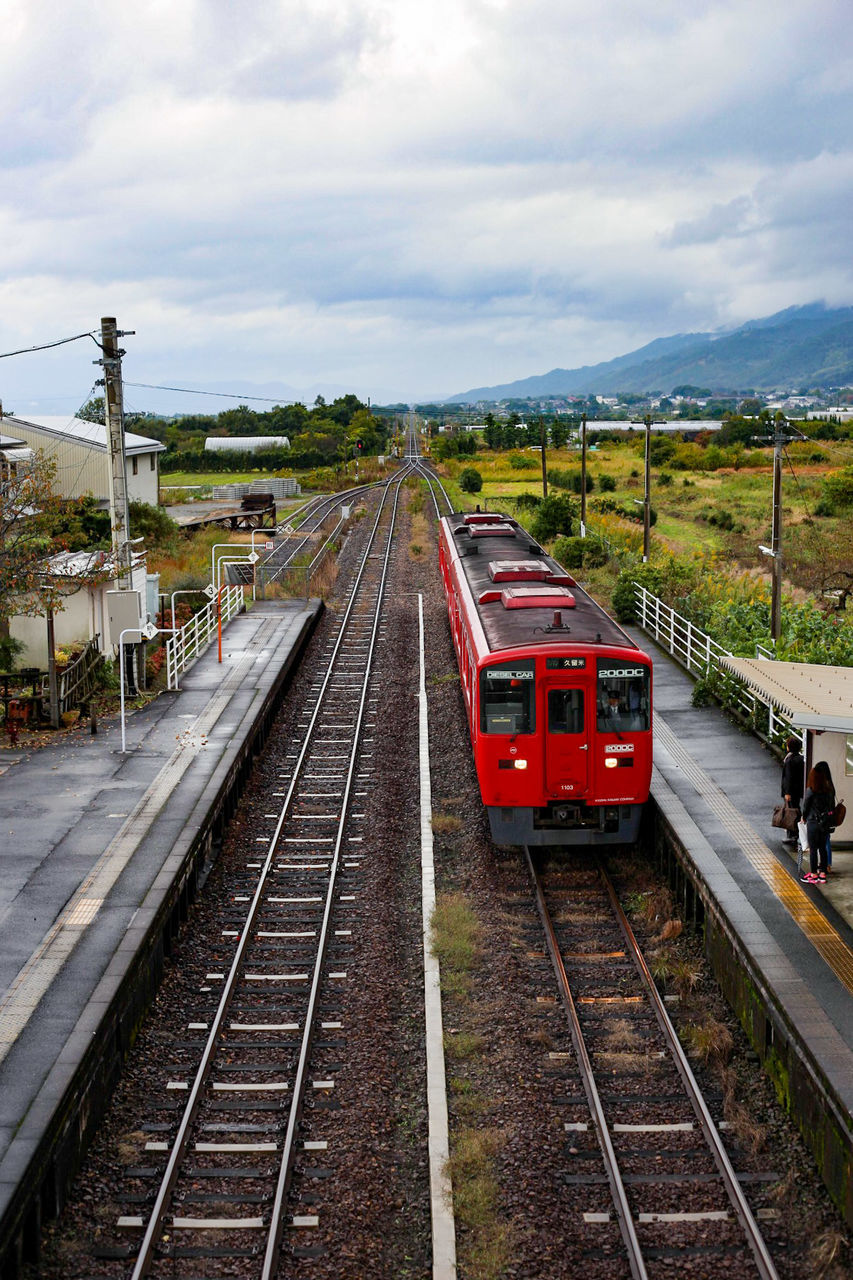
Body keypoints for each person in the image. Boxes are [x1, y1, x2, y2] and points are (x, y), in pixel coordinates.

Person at [800, 764, 835, 884]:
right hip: (825, 823)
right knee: (823, 848)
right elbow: (831, 807)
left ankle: (814, 874)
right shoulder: (829, 790)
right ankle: (823, 874)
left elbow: (806, 807)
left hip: (813, 822)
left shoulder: (811, 790)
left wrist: (803, 817)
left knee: (813, 849)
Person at [780, 737, 804, 848]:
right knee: (796, 810)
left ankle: (792, 835)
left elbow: (788, 777)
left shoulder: (789, 760)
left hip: (791, 791)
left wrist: (787, 792)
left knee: (791, 812)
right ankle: (796, 834)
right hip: (798, 790)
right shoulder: (800, 759)